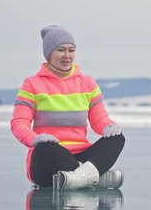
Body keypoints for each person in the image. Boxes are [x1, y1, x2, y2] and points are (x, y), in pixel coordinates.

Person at [10, 25, 125, 190]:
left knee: (117, 138)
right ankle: (95, 177)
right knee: (46, 148)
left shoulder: (88, 83)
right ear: (49, 53)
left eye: (71, 50)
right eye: (61, 50)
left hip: (83, 155)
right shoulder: (32, 84)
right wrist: (33, 138)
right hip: (50, 160)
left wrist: (110, 126)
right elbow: (19, 122)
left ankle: (78, 178)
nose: (67, 56)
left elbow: (99, 120)